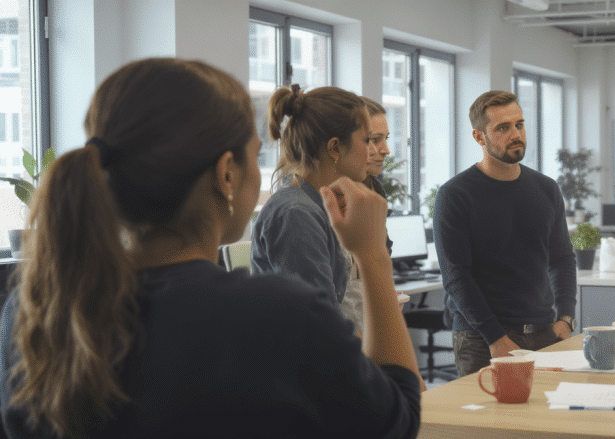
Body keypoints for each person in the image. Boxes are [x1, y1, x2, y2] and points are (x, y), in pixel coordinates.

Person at [0, 58, 419, 437]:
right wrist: (372, 255)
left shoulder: (32, 308)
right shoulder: (275, 312)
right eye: (255, 155)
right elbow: (394, 421)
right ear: (226, 174)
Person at [433, 90, 577, 377]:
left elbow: (562, 259)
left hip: (544, 333)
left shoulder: (546, 189)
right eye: (503, 128)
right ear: (479, 137)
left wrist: (566, 318)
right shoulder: (455, 195)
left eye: (519, 125)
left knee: (545, 418)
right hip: (481, 340)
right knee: (487, 421)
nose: (516, 134)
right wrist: (495, 338)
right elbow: (456, 276)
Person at [250, 85, 370, 327]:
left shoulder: (315, 205)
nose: (374, 151)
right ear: (335, 148)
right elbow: (322, 324)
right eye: (367, 140)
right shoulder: (296, 214)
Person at [339, 96, 394, 336]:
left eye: (385, 139)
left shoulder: (373, 189)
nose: (384, 149)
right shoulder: (316, 204)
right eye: (373, 139)